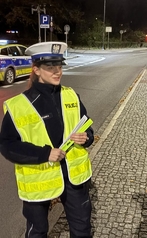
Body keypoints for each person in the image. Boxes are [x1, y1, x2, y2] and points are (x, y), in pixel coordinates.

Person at [0, 41, 94, 238]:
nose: (57, 72)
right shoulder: (19, 105)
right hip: (39, 181)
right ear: (36, 69)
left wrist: (86, 138)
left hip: (73, 178)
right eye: (50, 68)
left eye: (59, 67)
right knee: (38, 233)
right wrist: (44, 153)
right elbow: (7, 145)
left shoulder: (71, 96)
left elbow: (88, 130)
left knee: (82, 230)